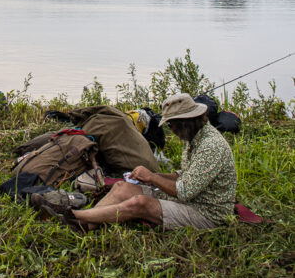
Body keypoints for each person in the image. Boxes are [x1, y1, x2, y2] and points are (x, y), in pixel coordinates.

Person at [33, 93, 237, 231]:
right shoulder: (192, 137)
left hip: (205, 212)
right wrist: (151, 178)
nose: (171, 130)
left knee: (139, 203)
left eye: (172, 125)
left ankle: (71, 216)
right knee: (122, 187)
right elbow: (182, 176)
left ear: (185, 122)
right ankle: (86, 223)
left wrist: (151, 177)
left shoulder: (211, 147)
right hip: (190, 198)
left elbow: (184, 190)